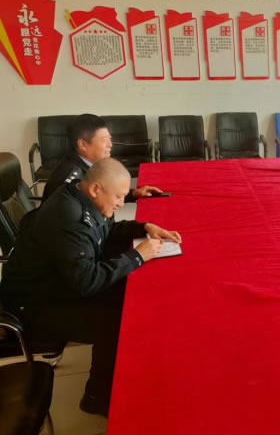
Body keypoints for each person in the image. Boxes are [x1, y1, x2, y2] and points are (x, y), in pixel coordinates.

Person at [0, 158, 181, 417]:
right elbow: (87, 282)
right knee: (117, 319)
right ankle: (97, 397)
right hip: (33, 307)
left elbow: (105, 230)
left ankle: (128, 372)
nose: (122, 203)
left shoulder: (79, 193)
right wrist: (138, 256)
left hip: (59, 284)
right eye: (118, 196)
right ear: (96, 188)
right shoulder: (68, 217)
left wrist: (144, 227)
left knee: (128, 292)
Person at [42, 113, 161, 202]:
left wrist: (134, 193)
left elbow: (102, 197)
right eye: (104, 140)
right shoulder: (69, 184)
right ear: (83, 144)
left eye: (110, 139)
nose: (110, 145)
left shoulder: (91, 165)